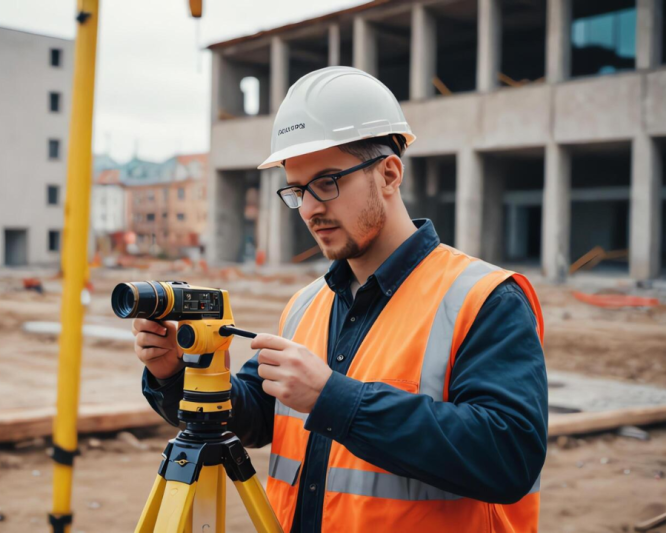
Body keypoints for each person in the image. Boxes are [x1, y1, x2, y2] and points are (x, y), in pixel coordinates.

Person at [134, 66, 547, 532]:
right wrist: (173, 373)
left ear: (389, 173)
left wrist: (334, 399)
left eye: (327, 182)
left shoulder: (484, 298)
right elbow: (254, 418)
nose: (310, 208)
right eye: (297, 190)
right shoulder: (306, 305)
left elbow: (509, 456)